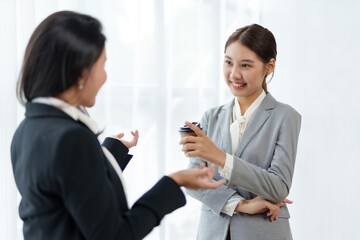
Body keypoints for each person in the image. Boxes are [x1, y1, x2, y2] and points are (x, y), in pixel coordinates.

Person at [10, 11, 226, 240]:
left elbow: (69, 188)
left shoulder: (27, 130)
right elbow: (115, 235)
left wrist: (111, 150)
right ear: (82, 73)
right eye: (103, 65)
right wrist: (174, 182)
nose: (104, 76)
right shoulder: (72, 139)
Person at [180, 24, 301, 240]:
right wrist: (241, 205)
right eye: (228, 62)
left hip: (263, 232)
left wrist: (220, 158)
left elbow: (279, 187)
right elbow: (192, 181)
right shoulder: (211, 117)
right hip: (212, 232)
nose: (234, 74)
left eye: (245, 65)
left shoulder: (286, 117)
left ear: (269, 66)